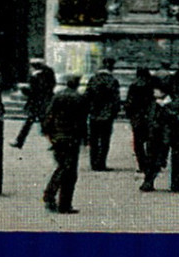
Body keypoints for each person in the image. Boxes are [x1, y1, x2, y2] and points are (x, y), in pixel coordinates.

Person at [42, 74, 87, 214]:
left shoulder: (58, 96)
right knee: (69, 171)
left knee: (62, 166)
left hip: (58, 136)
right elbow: (82, 121)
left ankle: (53, 197)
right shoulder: (79, 98)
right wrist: (85, 139)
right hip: (72, 137)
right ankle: (61, 202)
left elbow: (49, 115)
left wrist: (48, 132)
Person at [141, 85, 179, 193]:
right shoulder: (154, 103)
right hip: (157, 134)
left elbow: (178, 117)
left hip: (172, 134)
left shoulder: (174, 102)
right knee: (153, 158)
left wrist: (165, 108)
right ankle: (148, 181)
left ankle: (177, 184)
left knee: (176, 159)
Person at [85, 58, 121, 170]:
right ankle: (101, 163)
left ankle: (93, 162)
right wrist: (114, 112)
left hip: (94, 114)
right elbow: (116, 100)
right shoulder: (113, 81)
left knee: (94, 140)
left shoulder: (93, 79)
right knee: (104, 140)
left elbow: (87, 97)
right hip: (107, 115)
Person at [12, 57, 56, 148]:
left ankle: (19, 141)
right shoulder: (48, 72)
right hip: (43, 102)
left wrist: (24, 89)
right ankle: (20, 141)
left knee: (35, 122)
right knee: (36, 122)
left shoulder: (36, 76)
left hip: (37, 103)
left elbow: (34, 90)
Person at [125, 68, 156, 173]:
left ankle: (142, 164)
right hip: (149, 116)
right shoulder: (152, 85)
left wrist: (130, 115)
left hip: (137, 117)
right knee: (151, 141)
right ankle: (151, 163)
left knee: (138, 143)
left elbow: (129, 102)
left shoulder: (134, 85)